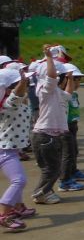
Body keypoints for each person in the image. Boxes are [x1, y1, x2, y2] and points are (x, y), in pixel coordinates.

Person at [30, 46, 74, 204]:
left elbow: (68, 95)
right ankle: (40, 193)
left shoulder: (56, 91)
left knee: (51, 168)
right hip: (44, 136)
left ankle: (45, 192)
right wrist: (49, 57)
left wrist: (69, 78)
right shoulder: (46, 89)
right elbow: (51, 76)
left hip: (48, 135)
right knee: (52, 169)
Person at [0, 68, 35, 231]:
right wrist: (21, 82)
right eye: (24, 83)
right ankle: (5, 214)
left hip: (12, 149)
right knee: (19, 180)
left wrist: (22, 83)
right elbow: (16, 97)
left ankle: (19, 207)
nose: (27, 84)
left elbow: (20, 98)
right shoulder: (7, 104)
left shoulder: (19, 101)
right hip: (4, 150)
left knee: (17, 179)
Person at [61, 63, 84, 186]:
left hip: (73, 125)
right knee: (67, 153)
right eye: (75, 79)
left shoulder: (74, 94)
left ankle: (73, 171)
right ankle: (65, 180)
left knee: (74, 151)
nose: (78, 83)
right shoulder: (61, 95)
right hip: (64, 127)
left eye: (79, 79)